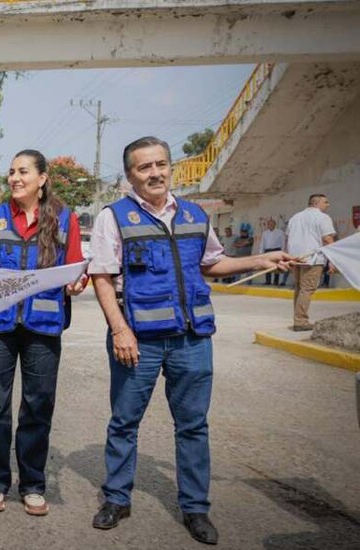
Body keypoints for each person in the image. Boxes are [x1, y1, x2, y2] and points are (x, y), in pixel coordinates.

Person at [88, 136, 293, 545]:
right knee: (125, 422)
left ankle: (195, 508)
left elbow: (212, 262)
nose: (155, 173)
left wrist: (261, 259)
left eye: (161, 164)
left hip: (192, 338)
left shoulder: (195, 214)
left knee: (193, 426)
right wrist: (119, 329)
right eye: (145, 167)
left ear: (171, 167)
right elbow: (103, 277)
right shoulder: (114, 217)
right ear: (129, 175)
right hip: (139, 340)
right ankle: (117, 498)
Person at [0, 150, 87, 517]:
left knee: (38, 406)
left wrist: (76, 283)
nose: (15, 178)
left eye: (23, 172)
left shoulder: (65, 219)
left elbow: (74, 268)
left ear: (42, 178)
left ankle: (33, 484)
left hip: (44, 327)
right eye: (11, 172)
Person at [286, 194, 336, 331]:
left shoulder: (295, 217)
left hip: (295, 258)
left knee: (299, 289)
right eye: (325, 202)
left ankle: (298, 319)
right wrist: (333, 260)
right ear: (315, 203)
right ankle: (300, 322)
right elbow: (327, 239)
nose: (328, 205)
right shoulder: (323, 217)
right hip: (312, 258)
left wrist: (287, 258)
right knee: (307, 289)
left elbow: (287, 239)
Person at [257, 218, 286, 285]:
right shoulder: (265, 233)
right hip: (267, 251)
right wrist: (260, 253)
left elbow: (283, 242)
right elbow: (262, 243)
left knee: (277, 266)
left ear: (275, 224)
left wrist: (282, 252)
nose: (271, 225)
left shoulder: (280, 232)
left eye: (272, 224)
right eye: (269, 224)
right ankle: (268, 281)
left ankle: (276, 281)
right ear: (268, 225)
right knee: (267, 266)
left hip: (277, 250)